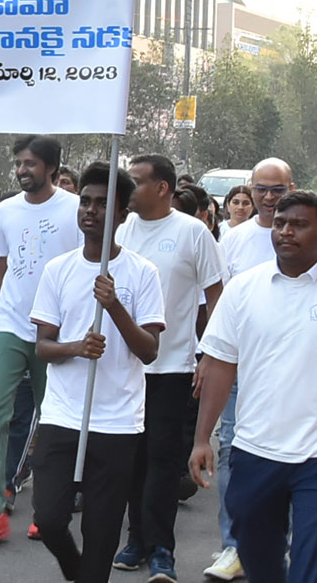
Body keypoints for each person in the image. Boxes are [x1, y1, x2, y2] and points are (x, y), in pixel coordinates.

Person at [189, 190, 317, 583]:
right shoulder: (243, 288)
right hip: (255, 448)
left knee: (312, 567)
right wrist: (202, 439)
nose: (286, 232)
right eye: (281, 223)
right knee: (258, 557)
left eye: (299, 225)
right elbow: (220, 366)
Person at [30, 162, 165, 583]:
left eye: (103, 204)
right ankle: (75, 567)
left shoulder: (143, 272)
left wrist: (114, 306)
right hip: (62, 415)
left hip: (117, 421)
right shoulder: (58, 269)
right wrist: (76, 347)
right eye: (85, 201)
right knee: (49, 518)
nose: (91, 210)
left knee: (102, 530)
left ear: (122, 213)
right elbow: (43, 346)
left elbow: (149, 351)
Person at [111, 155, 223, 580]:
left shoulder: (193, 232)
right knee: (131, 459)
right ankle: (136, 538)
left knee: (161, 459)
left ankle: (161, 548)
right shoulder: (121, 231)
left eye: (136, 182)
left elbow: (216, 297)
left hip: (172, 366)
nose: (128, 190)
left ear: (163, 188)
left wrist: (209, 354)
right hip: (125, 366)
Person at [0, 135, 83, 547]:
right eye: (18, 163)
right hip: (9, 325)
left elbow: (83, 269)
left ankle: (46, 510)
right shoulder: (7, 211)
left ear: (51, 167)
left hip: (56, 330)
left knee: (52, 421)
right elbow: (0, 269)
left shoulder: (75, 209)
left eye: (30, 163)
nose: (21, 170)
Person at [202, 157, 295, 582]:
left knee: (288, 455)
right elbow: (220, 303)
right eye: (262, 189)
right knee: (232, 449)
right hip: (240, 365)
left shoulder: (309, 236)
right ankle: (234, 544)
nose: (269, 198)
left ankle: (278, 542)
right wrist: (210, 356)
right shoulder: (233, 239)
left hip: (291, 368)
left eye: (278, 189)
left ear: (292, 188)